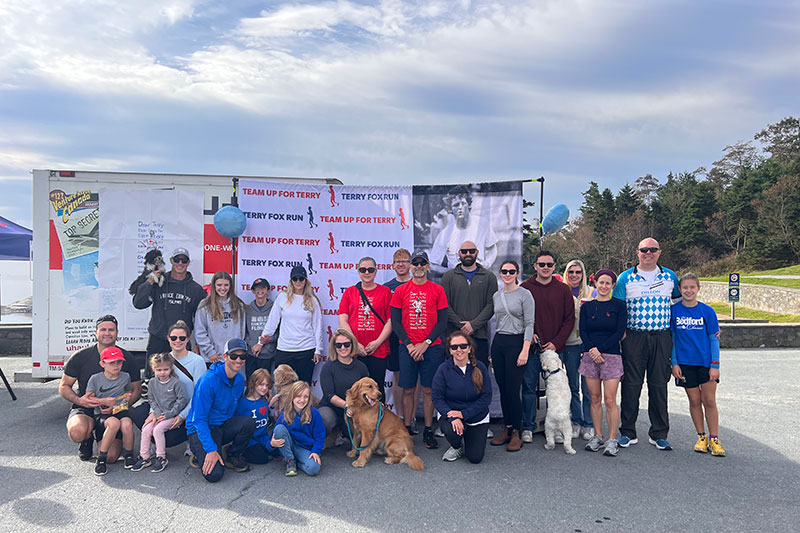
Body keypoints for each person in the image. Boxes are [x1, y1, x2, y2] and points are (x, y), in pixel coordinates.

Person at [613, 238, 680, 451]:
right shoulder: (625, 278)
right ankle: (628, 432)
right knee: (631, 385)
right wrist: (621, 335)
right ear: (637, 252)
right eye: (644, 250)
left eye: (652, 250)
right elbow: (618, 309)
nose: (648, 253)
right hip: (634, 337)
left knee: (659, 385)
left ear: (659, 252)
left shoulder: (670, 276)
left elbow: (681, 306)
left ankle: (659, 433)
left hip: (661, 337)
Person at [59, 315, 142, 463]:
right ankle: (87, 439)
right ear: (96, 332)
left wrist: (118, 406)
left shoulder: (128, 358)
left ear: (117, 333)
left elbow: (136, 390)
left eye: (111, 329)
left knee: (110, 457)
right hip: (86, 408)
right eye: (103, 329)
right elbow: (64, 386)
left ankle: (114, 440)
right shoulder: (80, 357)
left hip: (114, 411)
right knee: (77, 432)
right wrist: (80, 400)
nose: (107, 333)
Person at [390, 250, 449, 449]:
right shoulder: (400, 291)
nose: (418, 267)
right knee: (407, 389)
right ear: (410, 266)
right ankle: (407, 429)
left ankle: (428, 430)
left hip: (431, 348)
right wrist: (409, 344)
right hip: (407, 347)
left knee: (429, 390)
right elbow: (396, 323)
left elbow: (442, 322)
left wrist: (426, 343)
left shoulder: (437, 290)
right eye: (415, 263)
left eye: (422, 263)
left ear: (428, 266)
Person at [519, 250, 575, 443]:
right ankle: (527, 426)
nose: (545, 268)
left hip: (555, 350)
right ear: (535, 266)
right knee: (528, 388)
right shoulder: (525, 288)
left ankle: (556, 428)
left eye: (549, 265)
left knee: (555, 391)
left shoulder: (563, 289)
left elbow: (569, 320)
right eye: (541, 264)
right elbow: (520, 316)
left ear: (554, 267)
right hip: (532, 347)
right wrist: (530, 335)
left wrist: (556, 342)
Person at [186, 338, 256, 483]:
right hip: (200, 429)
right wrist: (211, 449)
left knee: (249, 422)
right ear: (225, 356)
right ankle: (199, 451)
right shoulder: (208, 381)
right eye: (233, 356)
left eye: (243, 356)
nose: (239, 360)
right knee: (214, 475)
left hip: (221, 426)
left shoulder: (238, 379)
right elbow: (199, 420)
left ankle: (232, 454)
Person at [670, 273, 725, 456]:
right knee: (694, 400)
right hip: (685, 363)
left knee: (709, 400)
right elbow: (673, 340)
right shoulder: (674, 311)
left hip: (706, 363)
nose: (688, 291)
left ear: (698, 289)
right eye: (685, 287)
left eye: (692, 287)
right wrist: (674, 363)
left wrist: (715, 365)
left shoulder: (707, 311)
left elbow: (713, 339)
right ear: (680, 290)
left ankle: (714, 438)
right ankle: (701, 436)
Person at [579, 270, 627, 457]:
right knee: (594, 398)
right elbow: (583, 330)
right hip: (590, 355)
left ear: (613, 285)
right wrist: (592, 349)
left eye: (608, 283)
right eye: (601, 283)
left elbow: (619, 331)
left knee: (610, 400)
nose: (604, 286)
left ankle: (612, 438)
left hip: (612, 356)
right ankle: (598, 435)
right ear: (596, 284)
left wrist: (601, 349)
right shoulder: (588, 307)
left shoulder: (619, 306)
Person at [489, 260, 534, 452]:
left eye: (511, 271)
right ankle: (507, 428)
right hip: (499, 343)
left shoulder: (525, 294)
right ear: (500, 273)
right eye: (504, 271)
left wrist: (525, 350)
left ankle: (517, 430)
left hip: (517, 343)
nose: (507, 274)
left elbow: (529, 324)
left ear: (517, 273)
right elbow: (496, 323)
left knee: (513, 390)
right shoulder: (496, 296)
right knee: (503, 389)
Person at [132, 247, 207, 357]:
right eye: (177, 259)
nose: (180, 263)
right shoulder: (159, 283)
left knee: (182, 374)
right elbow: (138, 304)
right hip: (158, 340)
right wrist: (150, 281)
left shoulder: (196, 290)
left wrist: (197, 343)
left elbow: (201, 320)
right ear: (171, 260)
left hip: (181, 341)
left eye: (184, 260)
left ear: (188, 263)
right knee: (154, 374)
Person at [432, 333, 492, 463]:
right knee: (450, 429)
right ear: (450, 351)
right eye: (454, 347)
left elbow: (486, 397)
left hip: (476, 416)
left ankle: (470, 435)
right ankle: (456, 446)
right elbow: (437, 398)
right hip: (452, 415)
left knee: (475, 458)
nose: (459, 350)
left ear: (469, 348)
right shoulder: (443, 369)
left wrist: (463, 414)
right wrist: (453, 416)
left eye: (463, 346)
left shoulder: (480, 367)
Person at [338, 257, 393, 399]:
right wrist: (354, 344)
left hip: (378, 349)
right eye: (363, 269)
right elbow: (343, 319)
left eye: (370, 269)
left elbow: (390, 320)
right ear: (358, 272)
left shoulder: (385, 292)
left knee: (377, 388)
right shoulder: (350, 292)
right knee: (356, 390)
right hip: (355, 350)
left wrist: (378, 342)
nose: (367, 272)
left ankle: (378, 421)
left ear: (376, 272)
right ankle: (357, 421)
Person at [260, 266, 323, 385]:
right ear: (291, 281)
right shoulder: (282, 298)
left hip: (306, 349)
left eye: (301, 279)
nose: (298, 282)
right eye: (295, 279)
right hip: (284, 349)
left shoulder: (313, 300)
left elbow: (317, 326)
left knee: (303, 387)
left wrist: (318, 350)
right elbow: (272, 322)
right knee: (283, 388)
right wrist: (260, 342)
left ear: (306, 280)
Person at [440, 240, 497, 368]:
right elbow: (444, 304)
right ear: (459, 254)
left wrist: (473, 325)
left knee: (479, 375)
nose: (468, 254)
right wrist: (462, 326)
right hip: (454, 336)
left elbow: (491, 305)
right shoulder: (449, 277)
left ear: (477, 253)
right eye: (464, 251)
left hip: (480, 336)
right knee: (454, 376)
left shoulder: (489, 277)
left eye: (471, 251)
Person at [132, 352, 188, 472]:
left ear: (170, 368)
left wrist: (169, 414)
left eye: (165, 369)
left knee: (158, 430)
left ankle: (161, 457)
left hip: (172, 415)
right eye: (159, 370)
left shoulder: (176, 383)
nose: (162, 373)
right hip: (159, 414)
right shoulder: (152, 382)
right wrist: (157, 413)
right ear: (154, 369)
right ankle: (145, 457)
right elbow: (151, 399)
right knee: (146, 429)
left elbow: (182, 400)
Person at [384, 248, 421, 431]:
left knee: (414, 380)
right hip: (395, 339)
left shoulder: (419, 284)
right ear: (393, 265)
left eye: (405, 261)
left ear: (410, 264)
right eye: (397, 261)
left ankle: (411, 417)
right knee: (399, 378)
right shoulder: (387, 287)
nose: (401, 264)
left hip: (417, 338)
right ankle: (400, 417)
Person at [85, 346, 135, 475]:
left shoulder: (125, 376)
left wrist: (127, 396)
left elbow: (128, 390)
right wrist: (103, 401)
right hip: (103, 413)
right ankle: (101, 459)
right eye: (112, 362)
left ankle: (129, 455)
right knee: (114, 423)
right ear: (103, 364)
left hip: (120, 409)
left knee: (127, 424)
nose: (116, 365)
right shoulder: (95, 378)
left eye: (119, 362)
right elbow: (88, 398)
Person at [429, 187, 499, 275]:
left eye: (463, 203)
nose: (460, 208)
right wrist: (452, 273)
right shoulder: (445, 234)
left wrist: (485, 265)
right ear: (450, 208)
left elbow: (492, 248)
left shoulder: (482, 224)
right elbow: (433, 265)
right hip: (457, 280)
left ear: (469, 204)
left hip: (479, 276)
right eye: (456, 205)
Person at [563, 259, 595, 440]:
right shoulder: (561, 291)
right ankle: (576, 421)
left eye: (578, 272)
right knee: (572, 385)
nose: (574, 275)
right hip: (569, 344)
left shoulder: (592, 292)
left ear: (583, 273)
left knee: (588, 387)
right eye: (571, 272)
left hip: (589, 344)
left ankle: (589, 423)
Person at [318, 329, 369, 441]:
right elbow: (329, 395)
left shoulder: (361, 367)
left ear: (352, 344)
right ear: (334, 347)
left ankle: (341, 432)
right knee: (325, 419)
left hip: (354, 409)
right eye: (338, 345)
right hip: (332, 407)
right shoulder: (328, 367)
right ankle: (325, 438)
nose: (343, 348)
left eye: (346, 344)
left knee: (356, 436)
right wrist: (347, 406)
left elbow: (367, 392)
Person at [273, 381, 326, 476]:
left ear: (309, 398)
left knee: (314, 468)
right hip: (289, 446)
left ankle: (297, 463)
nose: (302, 400)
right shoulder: (285, 413)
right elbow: (275, 434)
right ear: (292, 397)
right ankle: (290, 460)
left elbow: (320, 435)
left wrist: (316, 451)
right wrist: (271, 444)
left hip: (304, 448)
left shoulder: (314, 413)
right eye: (298, 396)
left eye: (305, 396)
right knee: (279, 428)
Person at [194, 271, 247, 366]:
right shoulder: (205, 305)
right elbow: (200, 332)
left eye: (226, 285)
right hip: (213, 359)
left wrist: (237, 353)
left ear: (230, 286)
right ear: (214, 285)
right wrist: (210, 352)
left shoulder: (239, 305)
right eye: (219, 285)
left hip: (233, 358)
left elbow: (242, 332)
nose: (222, 288)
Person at [235, 369, 279, 464]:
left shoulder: (264, 400)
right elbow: (238, 427)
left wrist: (271, 402)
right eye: (261, 384)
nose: (264, 388)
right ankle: (238, 452)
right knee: (262, 459)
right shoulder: (244, 403)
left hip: (262, 437)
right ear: (253, 384)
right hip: (250, 440)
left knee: (278, 450)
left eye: (267, 385)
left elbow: (262, 412)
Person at [247, 278, 278, 377]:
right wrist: (253, 345)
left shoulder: (274, 308)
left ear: (268, 290)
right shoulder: (247, 309)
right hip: (251, 354)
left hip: (267, 354)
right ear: (253, 291)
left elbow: (279, 331)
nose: (260, 291)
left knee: (265, 385)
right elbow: (244, 332)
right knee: (251, 384)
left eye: (263, 288)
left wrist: (271, 339)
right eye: (257, 288)